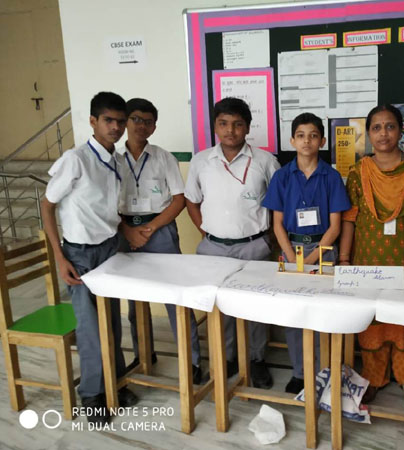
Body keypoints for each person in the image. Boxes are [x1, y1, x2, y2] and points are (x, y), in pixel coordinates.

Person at [40, 92, 138, 425]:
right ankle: (93, 395)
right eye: (108, 120)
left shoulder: (117, 160)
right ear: (93, 121)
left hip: (109, 248)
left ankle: (116, 381)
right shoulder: (76, 159)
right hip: (79, 253)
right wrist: (59, 257)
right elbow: (47, 206)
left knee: (112, 320)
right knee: (90, 327)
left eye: (120, 121)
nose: (115, 127)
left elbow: (110, 210)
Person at [339, 104, 404, 407]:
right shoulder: (358, 172)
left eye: (389, 126)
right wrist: (344, 259)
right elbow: (349, 219)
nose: (383, 133)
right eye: (376, 128)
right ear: (368, 134)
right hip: (368, 259)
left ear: (400, 131)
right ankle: (373, 377)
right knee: (374, 320)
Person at [184, 97, 280, 389]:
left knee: (255, 306)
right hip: (213, 248)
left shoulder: (265, 161)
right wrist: (205, 231)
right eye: (223, 123)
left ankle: (256, 359)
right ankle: (226, 358)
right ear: (215, 126)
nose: (230, 130)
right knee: (220, 308)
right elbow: (191, 200)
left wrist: (270, 239)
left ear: (248, 128)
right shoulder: (201, 161)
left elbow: (279, 204)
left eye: (238, 124)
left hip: (254, 246)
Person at [116, 98, 205, 384]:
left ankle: (192, 361)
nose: (141, 126)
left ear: (154, 127)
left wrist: (151, 227)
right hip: (124, 230)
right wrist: (129, 231)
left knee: (175, 297)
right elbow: (105, 202)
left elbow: (179, 200)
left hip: (160, 230)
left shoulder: (164, 158)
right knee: (135, 300)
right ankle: (143, 353)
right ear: (126, 122)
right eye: (135, 119)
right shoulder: (113, 159)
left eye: (148, 121)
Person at [262, 112, 350, 394]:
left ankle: (324, 371)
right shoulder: (281, 176)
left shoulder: (332, 177)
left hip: (323, 251)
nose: (307, 141)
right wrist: (292, 259)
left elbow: (335, 227)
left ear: (322, 141)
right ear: (292, 140)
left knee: (324, 313)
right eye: (300, 135)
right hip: (290, 249)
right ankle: (299, 373)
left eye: (313, 136)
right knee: (294, 315)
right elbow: (277, 224)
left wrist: (311, 261)